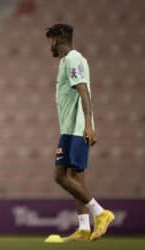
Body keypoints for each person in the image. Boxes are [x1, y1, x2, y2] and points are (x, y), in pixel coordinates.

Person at [45, 23, 115, 241]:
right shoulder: (67, 61)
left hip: (75, 129)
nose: (49, 45)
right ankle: (84, 228)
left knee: (60, 176)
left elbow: (83, 91)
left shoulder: (74, 58)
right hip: (69, 128)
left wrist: (88, 125)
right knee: (76, 178)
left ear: (57, 38)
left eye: (50, 40)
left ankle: (100, 213)